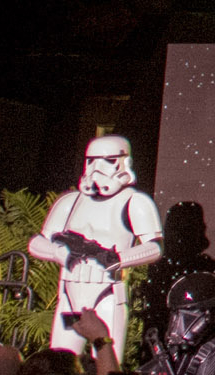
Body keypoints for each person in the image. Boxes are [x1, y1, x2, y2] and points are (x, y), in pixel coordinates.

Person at [27, 133, 166, 356]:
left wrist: (119, 259)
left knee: (110, 370)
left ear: (123, 162)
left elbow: (155, 247)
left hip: (107, 295)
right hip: (70, 295)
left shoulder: (134, 202)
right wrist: (58, 252)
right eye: (91, 161)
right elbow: (36, 242)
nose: (97, 168)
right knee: (61, 363)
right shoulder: (69, 202)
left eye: (108, 161)